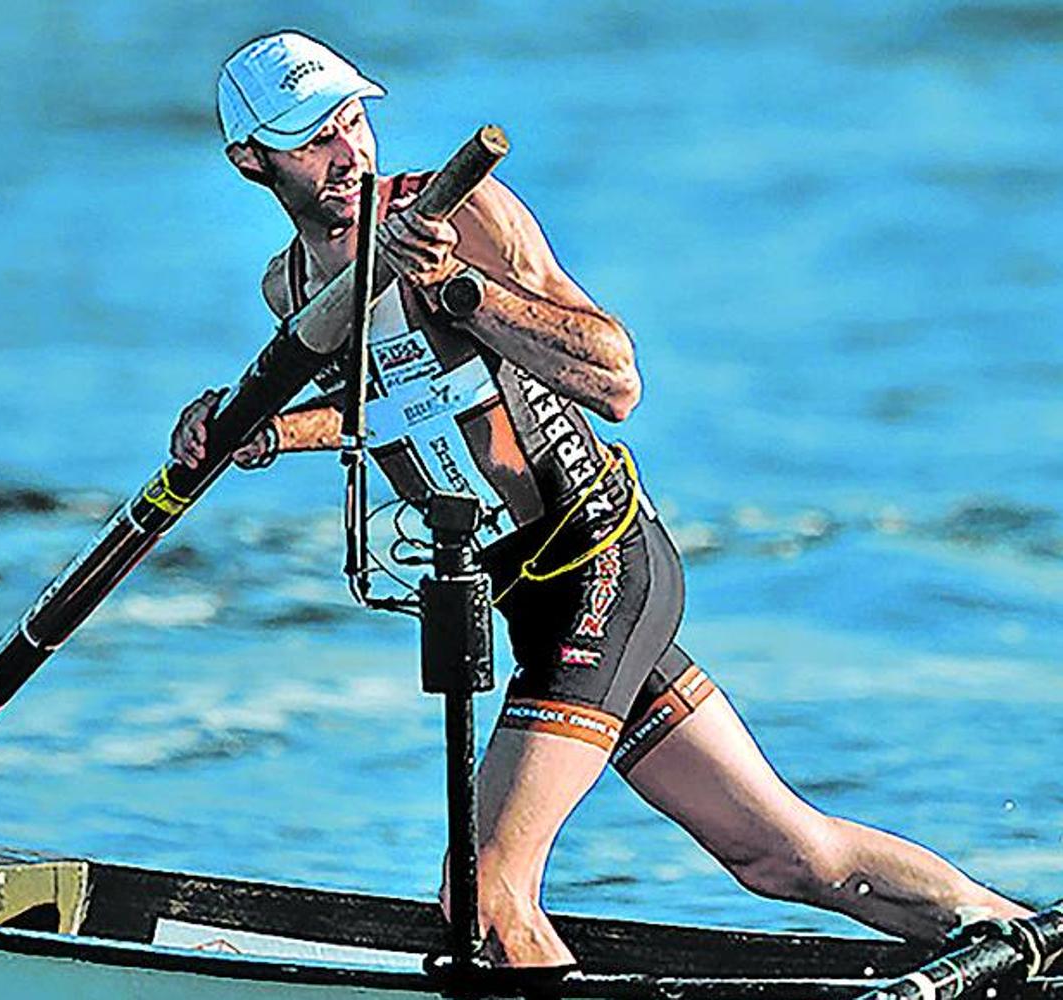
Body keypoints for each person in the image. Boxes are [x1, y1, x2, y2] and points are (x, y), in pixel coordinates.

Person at [173, 30, 1028, 967]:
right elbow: (386, 405)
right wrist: (261, 431)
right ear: (250, 161)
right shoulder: (288, 286)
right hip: (528, 592)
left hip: (600, 558)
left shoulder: (461, 214)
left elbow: (614, 375)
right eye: (311, 139)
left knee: (484, 894)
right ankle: (1031, 943)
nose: (347, 153)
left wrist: (455, 289)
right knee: (786, 857)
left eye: (351, 123)